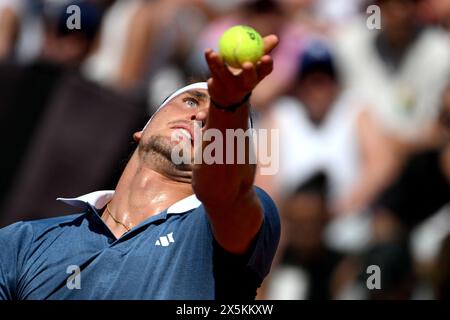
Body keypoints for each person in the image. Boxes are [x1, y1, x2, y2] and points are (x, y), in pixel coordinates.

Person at [0, 35, 281, 300]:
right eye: (191, 101)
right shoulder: (22, 242)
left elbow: (226, 191)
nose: (201, 115)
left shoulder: (218, 229)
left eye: (217, 119)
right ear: (142, 129)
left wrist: (231, 107)